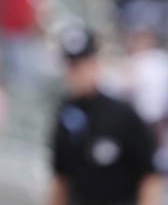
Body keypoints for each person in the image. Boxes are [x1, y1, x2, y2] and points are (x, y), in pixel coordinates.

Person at [47, 27, 163, 205]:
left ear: (95, 63)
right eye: (71, 66)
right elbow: (62, 179)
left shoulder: (123, 114)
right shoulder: (65, 113)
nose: (76, 73)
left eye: (82, 64)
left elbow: (151, 176)